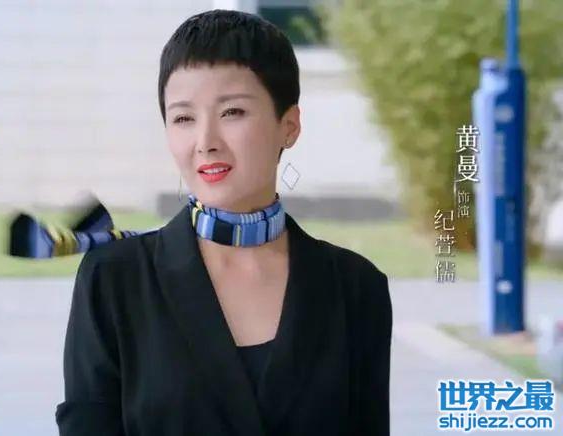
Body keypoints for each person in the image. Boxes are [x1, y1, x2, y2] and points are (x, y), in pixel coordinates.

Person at [55, 9, 392, 436]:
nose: (205, 142)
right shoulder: (113, 279)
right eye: (183, 118)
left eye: (232, 112)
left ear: (289, 126)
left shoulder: (356, 287)